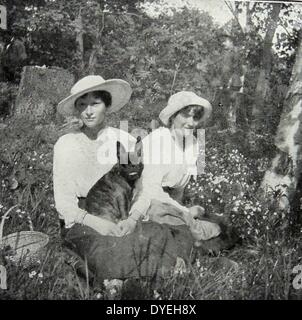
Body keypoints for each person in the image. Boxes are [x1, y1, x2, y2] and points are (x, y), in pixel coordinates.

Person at [118, 91, 221, 240]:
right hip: (146, 202)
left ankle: (189, 228)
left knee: (211, 225)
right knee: (178, 225)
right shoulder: (158, 140)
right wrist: (184, 211)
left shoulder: (195, 144)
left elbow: (180, 190)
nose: (191, 122)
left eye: (196, 117)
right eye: (186, 115)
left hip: (170, 204)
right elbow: (148, 190)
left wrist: (181, 209)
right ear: (173, 116)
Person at [53, 75, 136, 237]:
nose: (88, 112)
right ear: (77, 109)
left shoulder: (125, 140)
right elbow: (64, 202)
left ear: (107, 105)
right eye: (82, 105)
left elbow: (140, 187)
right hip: (84, 218)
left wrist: (131, 219)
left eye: (95, 104)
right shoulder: (66, 144)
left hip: (124, 213)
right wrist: (96, 223)